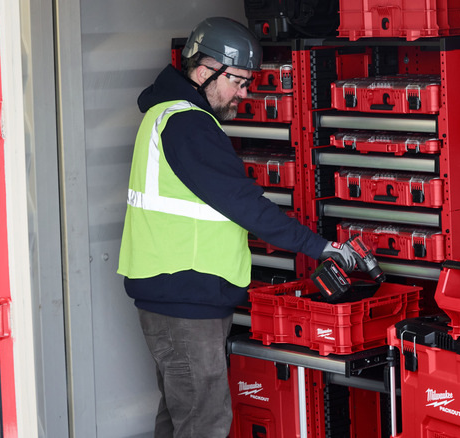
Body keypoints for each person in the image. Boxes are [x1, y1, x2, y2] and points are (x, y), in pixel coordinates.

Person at [117, 17, 355, 438]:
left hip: (174, 294)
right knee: (205, 424)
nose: (245, 94)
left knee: (179, 418)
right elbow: (245, 205)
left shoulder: (168, 114)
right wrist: (321, 248)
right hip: (184, 300)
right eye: (240, 82)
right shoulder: (187, 124)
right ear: (207, 69)